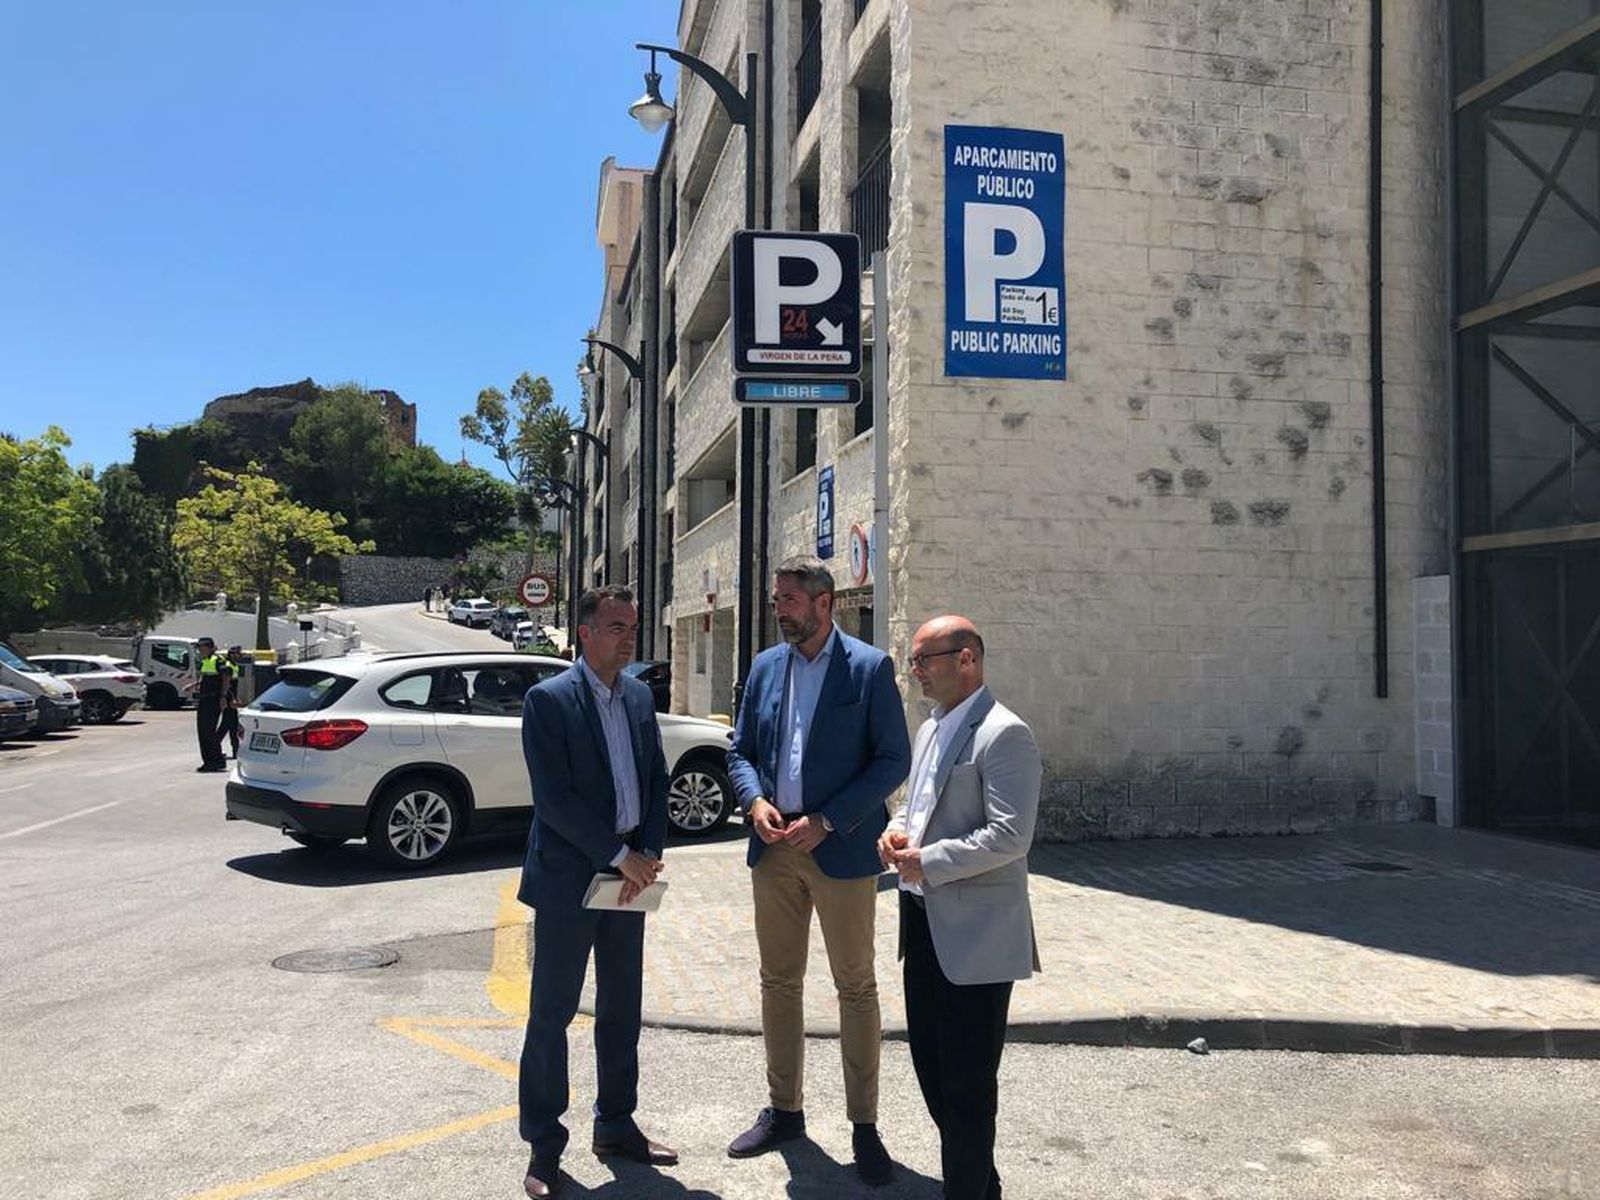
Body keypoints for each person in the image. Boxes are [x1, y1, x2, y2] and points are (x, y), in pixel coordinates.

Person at [725, 556, 911, 1186]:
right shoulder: (764, 667)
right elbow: (741, 750)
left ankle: (864, 1126)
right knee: (778, 982)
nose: (780, 609)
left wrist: (828, 820)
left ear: (825, 603)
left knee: (855, 986)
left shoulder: (868, 667)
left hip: (841, 849)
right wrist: (754, 801)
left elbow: (892, 761)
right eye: (777, 599)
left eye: (790, 600)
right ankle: (785, 1110)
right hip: (775, 849)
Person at [517, 585, 677, 1198]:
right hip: (569, 880)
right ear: (584, 632)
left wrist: (650, 852)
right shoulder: (548, 700)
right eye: (615, 625)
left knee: (621, 1010)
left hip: (628, 878)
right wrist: (621, 857)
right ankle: (544, 1148)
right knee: (551, 1015)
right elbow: (554, 800)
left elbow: (657, 778)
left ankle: (615, 1125)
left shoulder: (638, 695)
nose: (627, 635)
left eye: (631, 625)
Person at [879, 616, 1042, 1200]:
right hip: (923, 922)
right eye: (915, 660)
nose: (915, 670)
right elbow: (914, 805)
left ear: (967, 658)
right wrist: (896, 834)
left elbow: (1010, 836)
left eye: (925, 659)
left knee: (969, 1086)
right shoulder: (931, 727)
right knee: (932, 1070)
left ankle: (968, 1190)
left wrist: (930, 860)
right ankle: (981, 1182)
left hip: (977, 935)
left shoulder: (1004, 734)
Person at [184, 637, 232, 773]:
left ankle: (215, 761)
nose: (199, 650)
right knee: (204, 732)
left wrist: (223, 697)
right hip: (204, 700)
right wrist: (193, 685)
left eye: (201, 647)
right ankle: (210, 761)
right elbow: (207, 679)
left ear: (209, 647)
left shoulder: (218, 660)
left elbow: (226, 678)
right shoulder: (207, 661)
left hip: (213, 700)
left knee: (208, 732)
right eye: (199, 647)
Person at [217, 645, 244, 759]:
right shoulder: (228, 666)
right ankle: (217, 748)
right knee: (229, 725)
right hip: (228, 699)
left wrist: (236, 698)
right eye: (236, 653)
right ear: (231, 654)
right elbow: (227, 685)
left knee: (228, 725)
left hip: (231, 698)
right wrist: (231, 699)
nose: (238, 655)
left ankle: (233, 751)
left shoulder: (235, 666)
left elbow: (234, 686)